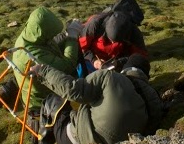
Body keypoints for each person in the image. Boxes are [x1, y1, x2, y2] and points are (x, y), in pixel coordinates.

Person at [31, 54, 163, 144]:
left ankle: (42, 138)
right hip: (128, 140)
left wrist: (43, 71)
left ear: (125, 68)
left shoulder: (109, 77)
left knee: (53, 101)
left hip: (84, 138)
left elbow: (73, 89)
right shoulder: (154, 99)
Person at [9, 7, 80, 111]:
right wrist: (72, 37)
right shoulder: (34, 56)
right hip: (43, 101)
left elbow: (49, 45)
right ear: (43, 33)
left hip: (37, 91)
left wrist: (66, 34)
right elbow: (68, 66)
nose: (52, 37)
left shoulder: (29, 35)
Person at [78, 10, 147, 70]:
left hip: (117, 60)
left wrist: (119, 62)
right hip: (92, 58)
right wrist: (94, 61)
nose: (112, 42)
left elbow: (140, 58)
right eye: (110, 40)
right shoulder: (94, 25)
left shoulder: (134, 33)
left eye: (116, 41)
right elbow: (81, 48)